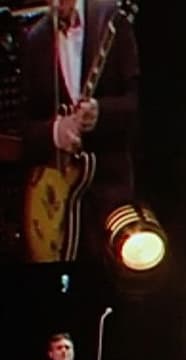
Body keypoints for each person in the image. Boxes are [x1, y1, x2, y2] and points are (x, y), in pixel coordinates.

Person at [20, 0, 140, 263]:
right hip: (57, 205)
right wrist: (55, 132)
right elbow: (24, 129)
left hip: (109, 198)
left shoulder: (112, 20)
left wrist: (101, 112)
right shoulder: (36, 38)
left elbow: (141, 103)